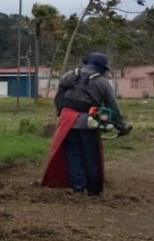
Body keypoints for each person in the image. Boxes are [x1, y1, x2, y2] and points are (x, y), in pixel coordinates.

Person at [41, 52, 130, 196]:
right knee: (91, 156)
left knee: (73, 155)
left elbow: (58, 98)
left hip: (67, 122)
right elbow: (112, 106)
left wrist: (61, 115)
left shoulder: (68, 75)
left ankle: (78, 188)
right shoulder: (102, 82)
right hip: (89, 123)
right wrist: (121, 126)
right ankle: (93, 190)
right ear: (100, 67)